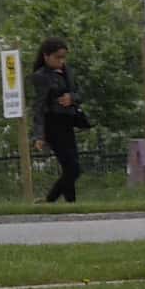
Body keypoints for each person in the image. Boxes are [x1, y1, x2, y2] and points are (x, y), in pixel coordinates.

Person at [33, 38, 85, 204]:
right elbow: (39, 107)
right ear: (46, 56)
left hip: (67, 122)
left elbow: (79, 93)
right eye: (57, 57)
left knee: (71, 166)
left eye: (63, 57)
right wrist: (39, 135)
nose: (61, 61)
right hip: (52, 124)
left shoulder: (68, 72)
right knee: (73, 169)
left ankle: (71, 203)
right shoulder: (41, 77)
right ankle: (50, 200)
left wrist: (72, 98)